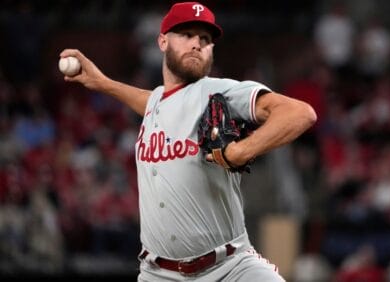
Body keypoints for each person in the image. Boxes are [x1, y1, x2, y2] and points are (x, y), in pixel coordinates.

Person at [60, 2, 316, 281]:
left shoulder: (218, 91)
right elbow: (151, 100)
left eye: (205, 39)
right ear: (162, 41)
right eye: (187, 34)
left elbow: (300, 113)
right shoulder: (157, 101)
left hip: (229, 268)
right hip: (157, 274)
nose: (197, 44)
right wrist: (103, 83)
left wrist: (241, 150)